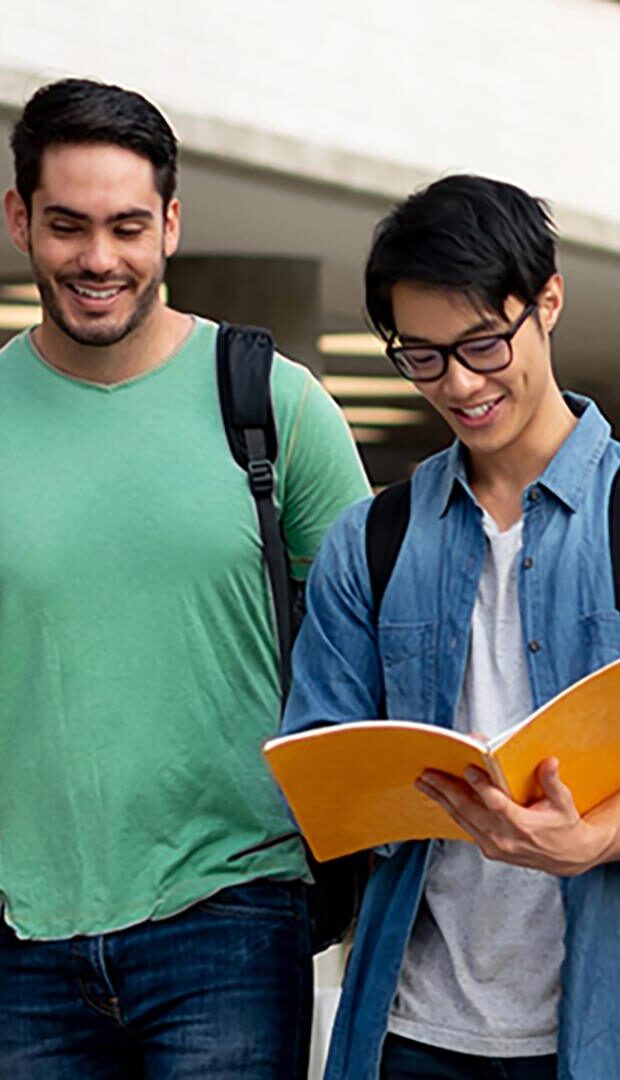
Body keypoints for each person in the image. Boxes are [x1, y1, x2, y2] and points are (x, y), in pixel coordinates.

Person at [281, 175, 620, 1080]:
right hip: (412, 1029)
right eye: (420, 357)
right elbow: (319, 754)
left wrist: (588, 841)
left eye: (482, 345)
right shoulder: (372, 539)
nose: (458, 384)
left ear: (548, 301)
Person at [0, 79, 369, 1077]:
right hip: (16, 934)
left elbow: (377, 634)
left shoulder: (271, 404)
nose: (99, 259)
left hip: (232, 914)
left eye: (127, 225)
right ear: (18, 217)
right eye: (68, 226)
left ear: (170, 222)